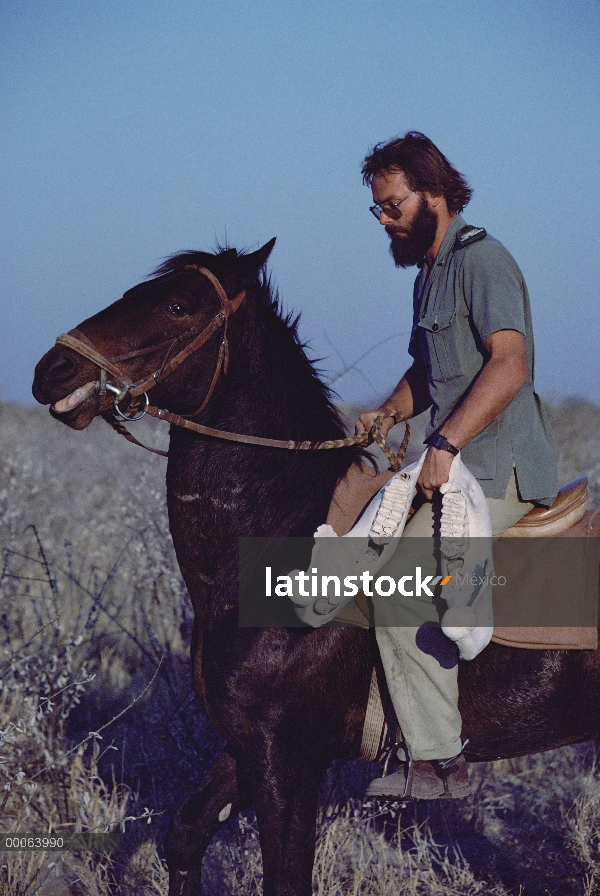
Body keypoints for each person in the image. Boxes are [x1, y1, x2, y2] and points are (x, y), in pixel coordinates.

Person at [356, 131, 558, 800]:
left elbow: (509, 365)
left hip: (495, 469)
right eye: (377, 209)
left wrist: (443, 446)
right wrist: (389, 415)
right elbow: (428, 368)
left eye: (391, 205)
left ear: (433, 195)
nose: (384, 219)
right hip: (455, 466)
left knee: (397, 590)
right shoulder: (430, 275)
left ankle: (440, 763)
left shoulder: (482, 261)